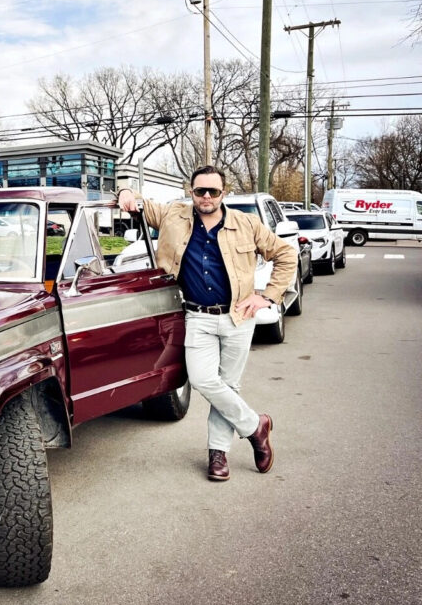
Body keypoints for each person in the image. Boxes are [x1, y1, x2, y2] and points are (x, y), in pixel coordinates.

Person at [116, 165, 297, 481]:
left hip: (237, 318)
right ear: (191, 191)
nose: (207, 197)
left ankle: (218, 455)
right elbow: (138, 203)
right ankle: (256, 426)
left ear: (223, 193)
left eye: (214, 191)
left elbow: (286, 255)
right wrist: (125, 191)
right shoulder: (174, 215)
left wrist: (266, 297)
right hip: (197, 316)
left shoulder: (247, 224)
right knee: (202, 380)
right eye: (201, 191)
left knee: (227, 385)